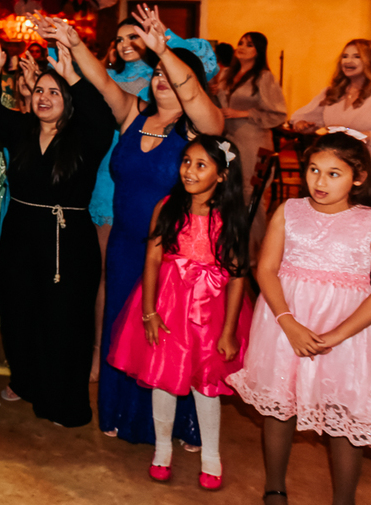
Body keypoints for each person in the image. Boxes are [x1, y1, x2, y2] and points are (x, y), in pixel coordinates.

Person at [39, 8, 224, 445]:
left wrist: (164, 50)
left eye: (170, 73)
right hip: (125, 244)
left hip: (175, 252)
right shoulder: (133, 114)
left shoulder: (200, 129)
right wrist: (73, 39)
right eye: (156, 71)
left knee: (167, 336)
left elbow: (199, 102)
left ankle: (173, 424)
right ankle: (121, 411)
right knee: (123, 330)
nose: (161, 78)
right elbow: (101, 82)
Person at [0, 33, 115, 427]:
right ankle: (28, 382)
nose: (43, 97)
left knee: (66, 320)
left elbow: (103, 116)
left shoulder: (86, 136)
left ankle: (64, 400)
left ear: (68, 99)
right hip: (20, 233)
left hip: (67, 239)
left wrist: (75, 77)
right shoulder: (20, 130)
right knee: (20, 314)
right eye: (39, 90)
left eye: (54, 91)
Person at [228, 131, 371, 505]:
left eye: (333, 174)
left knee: (342, 415)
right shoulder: (289, 211)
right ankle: (274, 488)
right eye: (313, 170)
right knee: (281, 403)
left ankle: (345, 498)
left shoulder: (370, 222)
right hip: (285, 323)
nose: (319, 182)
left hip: (346, 331)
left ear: (358, 178)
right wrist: (288, 322)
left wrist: (336, 335)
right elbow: (265, 270)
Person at [107, 136, 252, 489]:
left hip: (210, 310)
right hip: (169, 304)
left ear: (222, 175)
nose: (189, 170)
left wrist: (229, 330)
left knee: (207, 384)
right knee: (162, 378)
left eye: (201, 165)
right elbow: (153, 258)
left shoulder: (229, 217)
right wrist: (148, 311)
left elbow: (236, 276)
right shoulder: (168, 206)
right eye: (186, 162)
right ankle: (161, 451)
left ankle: (211, 457)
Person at [215, 32, 287, 250]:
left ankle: (255, 253)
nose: (242, 47)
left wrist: (243, 113)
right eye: (240, 43)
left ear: (259, 51)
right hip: (227, 140)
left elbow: (279, 113)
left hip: (254, 142)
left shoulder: (263, 77)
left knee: (251, 195)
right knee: (227, 191)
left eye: (249, 45)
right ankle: (231, 246)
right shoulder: (227, 73)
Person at [291, 39, 371, 163]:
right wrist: (304, 125)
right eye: (344, 56)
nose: (348, 61)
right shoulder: (332, 92)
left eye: (356, 56)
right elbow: (301, 118)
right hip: (335, 165)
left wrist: (366, 136)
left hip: (368, 166)